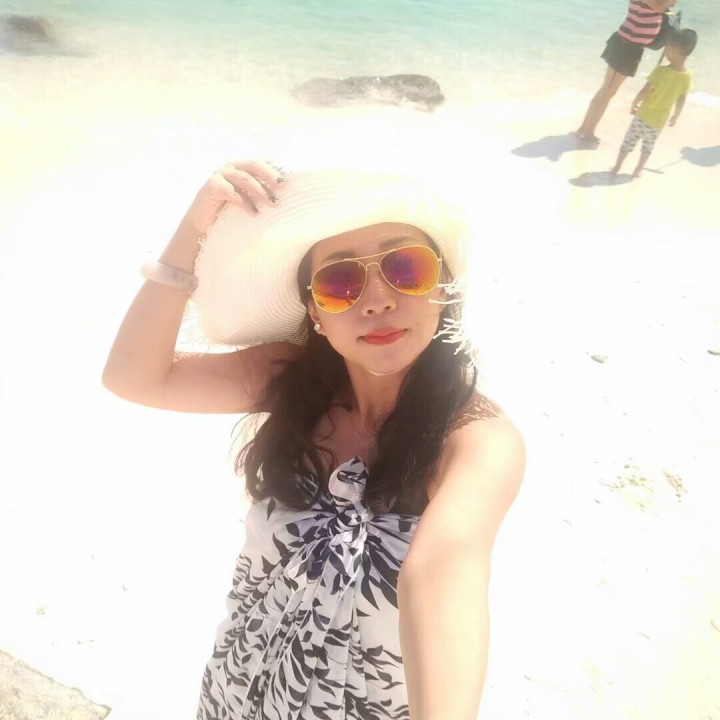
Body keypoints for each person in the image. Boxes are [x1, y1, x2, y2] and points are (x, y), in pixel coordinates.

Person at [102, 160, 526, 720]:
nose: (377, 300)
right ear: (315, 313)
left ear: (443, 290)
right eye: (340, 282)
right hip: (236, 688)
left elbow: (441, 574)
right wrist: (192, 228)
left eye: (406, 267)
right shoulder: (295, 380)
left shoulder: (477, 442)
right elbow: (133, 376)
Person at [576, 0, 677, 143]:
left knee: (607, 91)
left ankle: (584, 128)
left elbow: (670, 4)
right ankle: (588, 132)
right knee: (607, 91)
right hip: (627, 46)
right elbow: (660, 7)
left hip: (629, 46)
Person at [611, 28, 696, 178]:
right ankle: (638, 170)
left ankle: (617, 166)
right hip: (659, 121)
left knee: (629, 142)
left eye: (667, 47)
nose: (665, 50)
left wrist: (634, 103)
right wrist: (676, 115)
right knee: (648, 147)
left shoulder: (660, 71)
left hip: (643, 115)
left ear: (674, 49)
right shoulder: (687, 76)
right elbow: (682, 98)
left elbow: (646, 90)